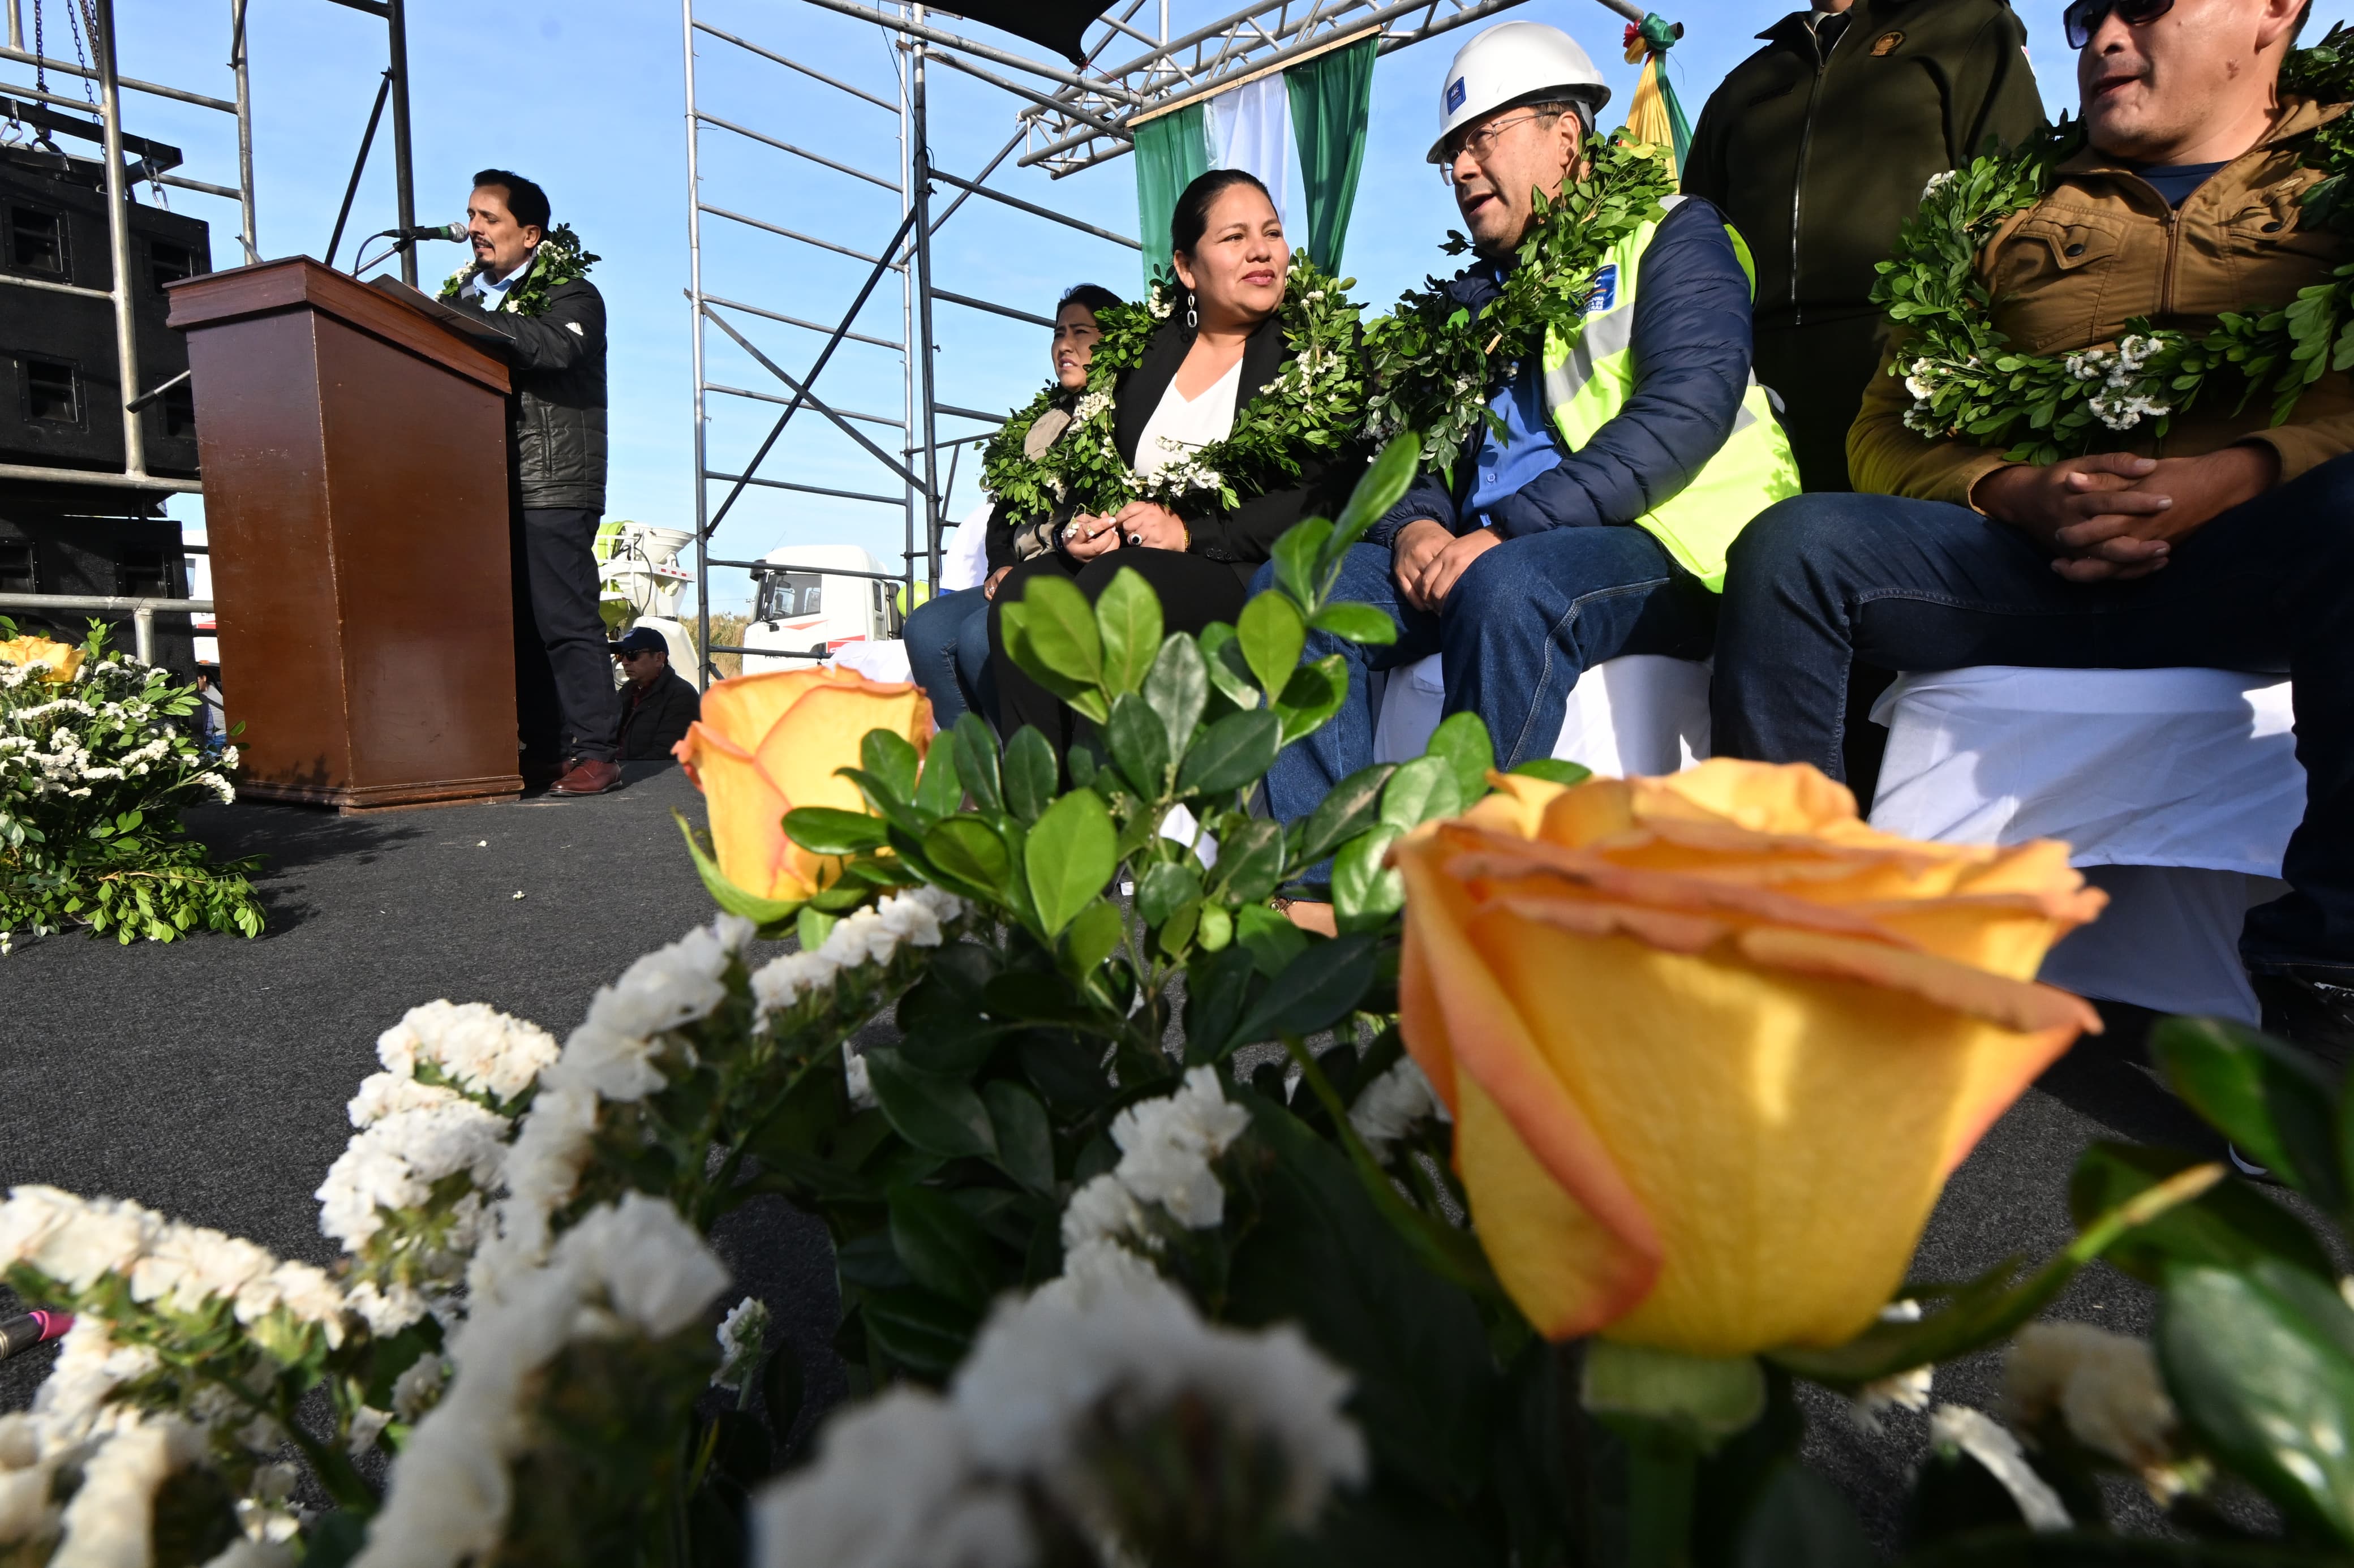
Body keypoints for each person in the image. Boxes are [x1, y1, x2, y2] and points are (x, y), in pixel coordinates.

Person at [1709, 0, 2354, 1048]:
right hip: (2020, 565)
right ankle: (1795, 936)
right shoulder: (2000, 205)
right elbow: (1884, 426)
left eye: (2143, 4)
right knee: (1795, 548)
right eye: (2087, 15)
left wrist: (2239, 475)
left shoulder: (2341, 172)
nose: (2105, 37)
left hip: (2260, 561)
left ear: (2274, 9)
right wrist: (2009, 489)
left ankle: (2326, 973)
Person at [1262, 22, 1798, 906]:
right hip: (1493, 545)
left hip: (1666, 541)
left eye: (1483, 139)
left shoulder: (1672, 234)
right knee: (1299, 589)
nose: (1464, 169)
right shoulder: (1470, 301)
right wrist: (1416, 524)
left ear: (1566, 134)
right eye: (1453, 155)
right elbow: (1409, 449)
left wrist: (1508, 529)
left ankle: (1477, 903)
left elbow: (1684, 411)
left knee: (1508, 588)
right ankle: (1320, 896)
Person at [986, 173, 1355, 750]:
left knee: (1118, 587)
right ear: (1186, 268)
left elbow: (1322, 494)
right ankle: (1037, 792)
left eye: (1271, 233)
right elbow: (1099, 469)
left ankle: (1113, 793)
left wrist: (1187, 532)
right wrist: (1090, 529)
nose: (1261, 250)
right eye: (1234, 237)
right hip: (1128, 557)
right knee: (1026, 598)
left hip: (1244, 566)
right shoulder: (1143, 357)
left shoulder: (1314, 351)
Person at [1684, 0, 2044, 495]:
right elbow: (1694, 237)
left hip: (1904, 371)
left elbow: (2018, 200)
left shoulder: (1965, 25)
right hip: (1754, 381)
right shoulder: (1743, 84)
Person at [447, 168, 618, 797]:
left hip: (554, 482)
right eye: (471, 216)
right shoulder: (470, 297)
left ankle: (596, 750)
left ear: (530, 234)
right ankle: (544, 750)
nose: (473, 228)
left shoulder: (573, 295)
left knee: (564, 620)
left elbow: (556, 349)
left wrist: (460, 318)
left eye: (488, 218)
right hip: (488, 486)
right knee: (516, 625)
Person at [904, 283, 1123, 729]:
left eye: (1081, 332)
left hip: (1074, 569)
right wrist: (1001, 565)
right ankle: (978, 760)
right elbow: (1003, 517)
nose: (1065, 345)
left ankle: (1030, 761)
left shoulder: (1124, 411)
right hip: (1022, 572)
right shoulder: (1042, 425)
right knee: (924, 630)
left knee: (978, 636)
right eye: (1058, 333)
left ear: (1114, 339)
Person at [611, 626, 700, 762]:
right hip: (619, 771)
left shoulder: (682, 696)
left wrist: (624, 771)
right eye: (621, 655)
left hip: (644, 774)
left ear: (659, 658)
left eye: (632, 654)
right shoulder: (627, 692)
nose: (624, 662)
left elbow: (665, 756)